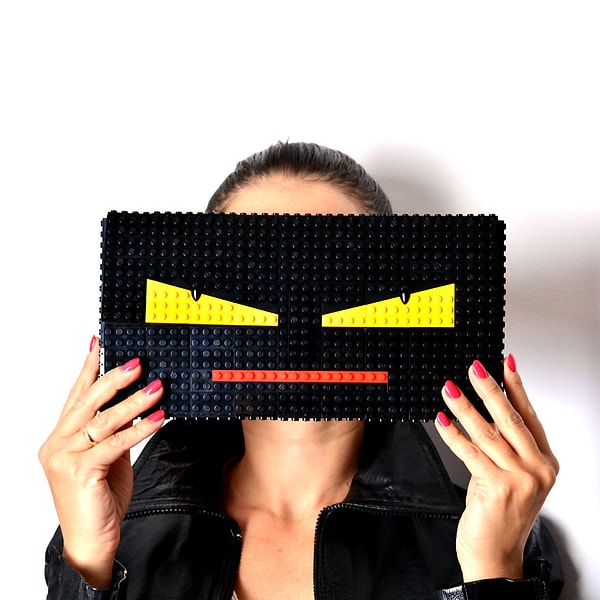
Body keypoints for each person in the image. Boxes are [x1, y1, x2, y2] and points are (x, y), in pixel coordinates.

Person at [40, 142, 563, 599]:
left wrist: (493, 572)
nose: (295, 332)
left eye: (337, 279)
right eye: (248, 285)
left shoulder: (495, 527)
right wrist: (86, 564)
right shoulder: (108, 534)